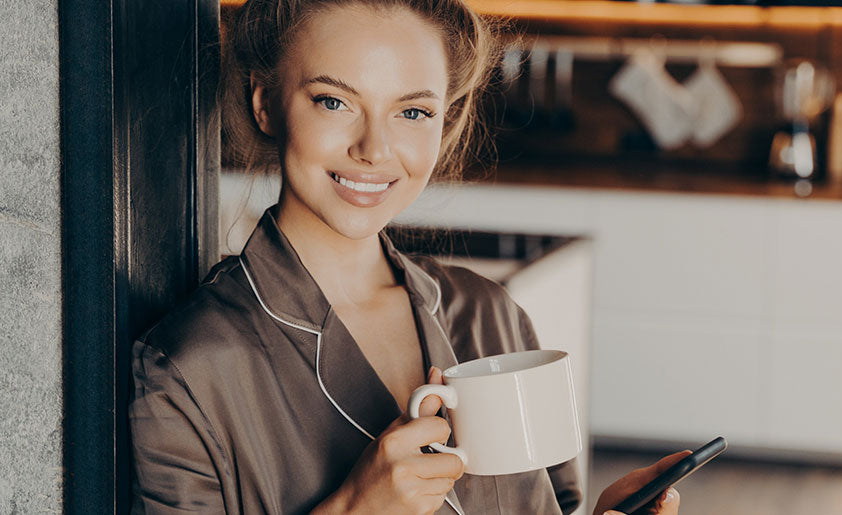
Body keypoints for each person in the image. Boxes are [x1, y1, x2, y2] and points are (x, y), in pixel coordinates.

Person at [128, 0, 689, 513]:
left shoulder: (491, 315)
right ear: (265, 103)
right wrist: (355, 508)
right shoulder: (187, 370)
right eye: (334, 101)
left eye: (413, 112)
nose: (373, 149)